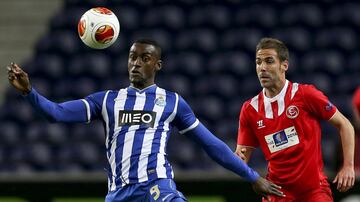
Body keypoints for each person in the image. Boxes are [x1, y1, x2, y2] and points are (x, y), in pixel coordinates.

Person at [7, 39, 284, 202]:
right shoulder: (107, 100)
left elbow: (212, 145)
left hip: (156, 188)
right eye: (132, 57)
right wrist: (30, 93)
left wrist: (251, 176)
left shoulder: (173, 102)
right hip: (118, 194)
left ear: (157, 65)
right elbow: (56, 114)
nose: (136, 63)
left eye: (145, 58)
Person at [235, 37, 355, 202]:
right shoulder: (250, 109)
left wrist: (348, 166)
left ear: (285, 65)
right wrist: (251, 176)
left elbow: (345, 124)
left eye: (269, 61)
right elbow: (242, 155)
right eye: (258, 62)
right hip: (277, 194)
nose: (262, 68)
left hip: (314, 192)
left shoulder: (305, 95)